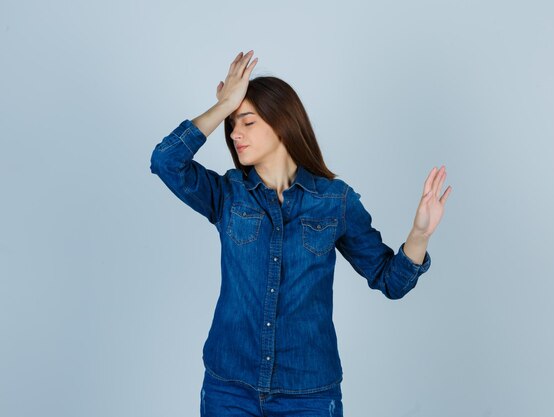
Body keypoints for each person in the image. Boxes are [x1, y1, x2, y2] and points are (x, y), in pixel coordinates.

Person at [149, 50, 452, 417]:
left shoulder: (335, 201)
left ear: (281, 124)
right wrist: (225, 104)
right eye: (232, 124)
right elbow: (165, 161)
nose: (235, 133)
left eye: (247, 122)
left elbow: (391, 281)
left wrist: (419, 235)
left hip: (307, 394)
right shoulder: (228, 194)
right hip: (229, 387)